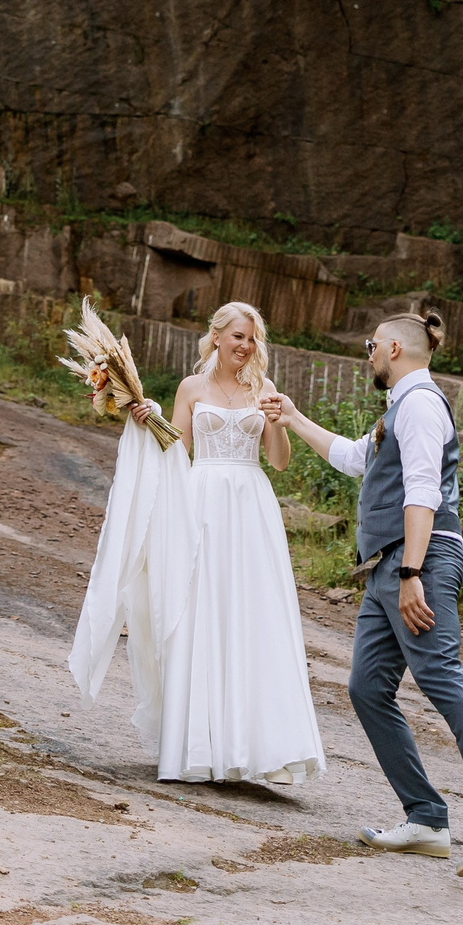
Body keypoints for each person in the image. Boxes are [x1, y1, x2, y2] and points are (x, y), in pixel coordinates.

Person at [264, 310, 463, 877]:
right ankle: (426, 818)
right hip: (388, 563)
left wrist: (412, 574)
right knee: (368, 688)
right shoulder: (400, 408)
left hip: (417, 559)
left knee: (440, 672)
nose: (367, 353)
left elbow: (421, 495)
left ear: (393, 347)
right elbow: (354, 459)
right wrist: (293, 418)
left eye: (371, 344)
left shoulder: (419, 405)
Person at [68, 301, 326, 786]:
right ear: (215, 337)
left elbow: (280, 461)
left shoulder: (264, 389)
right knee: (201, 614)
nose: (244, 346)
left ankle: (255, 747)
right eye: (236, 337)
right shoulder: (192, 388)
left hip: (251, 506)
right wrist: (148, 419)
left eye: (251, 338)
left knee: (251, 616)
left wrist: (278, 422)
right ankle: (197, 746)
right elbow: (177, 448)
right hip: (201, 501)